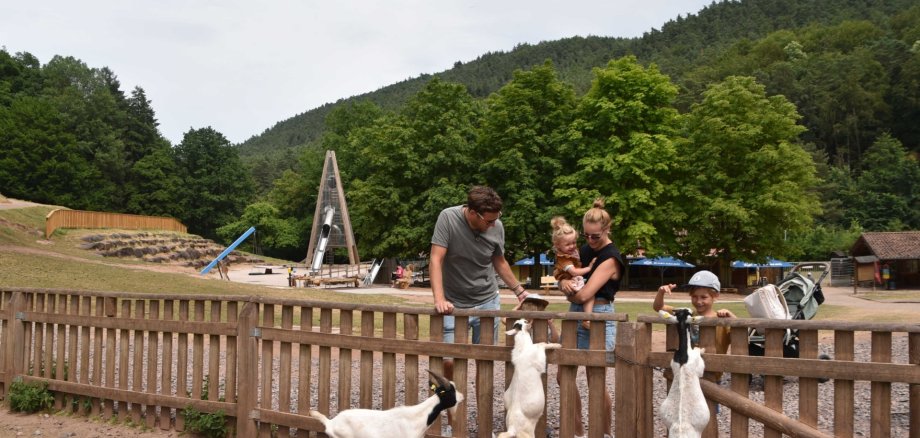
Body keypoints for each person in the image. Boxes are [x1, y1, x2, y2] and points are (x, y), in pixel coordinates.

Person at [430, 185, 529, 380]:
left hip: (487, 300)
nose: (494, 224)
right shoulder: (448, 218)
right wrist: (439, 299)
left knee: (485, 364)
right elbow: (435, 259)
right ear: (473, 213)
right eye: (490, 220)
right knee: (448, 361)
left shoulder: (497, 225)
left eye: (497, 218)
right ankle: (451, 408)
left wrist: (519, 291)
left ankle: (484, 411)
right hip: (453, 303)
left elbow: (499, 261)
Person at [557, 198, 623, 437]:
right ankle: (578, 432)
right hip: (577, 314)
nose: (590, 241)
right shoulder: (584, 250)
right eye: (586, 235)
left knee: (595, 377)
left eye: (595, 236)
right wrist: (562, 281)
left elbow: (585, 292)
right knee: (562, 374)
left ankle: (603, 432)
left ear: (606, 229)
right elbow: (567, 275)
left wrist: (569, 293)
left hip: (599, 314)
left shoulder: (611, 257)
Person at [652, 270, 735, 356]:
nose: (699, 301)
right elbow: (658, 307)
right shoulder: (686, 314)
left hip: (713, 368)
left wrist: (731, 316)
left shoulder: (722, 320)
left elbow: (739, 337)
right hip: (689, 367)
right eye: (694, 296)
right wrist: (661, 292)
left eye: (704, 297)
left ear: (715, 296)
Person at [551, 216, 594, 329]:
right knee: (589, 295)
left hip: (573, 281)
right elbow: (574, 272)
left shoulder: (574, 252)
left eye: (574, 242)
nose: (572, 246)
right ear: (557, 245)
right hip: (572, 281)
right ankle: (587, 319)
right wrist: (589, 268)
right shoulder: (563, 258)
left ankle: (586, 318)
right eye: (568, 244)